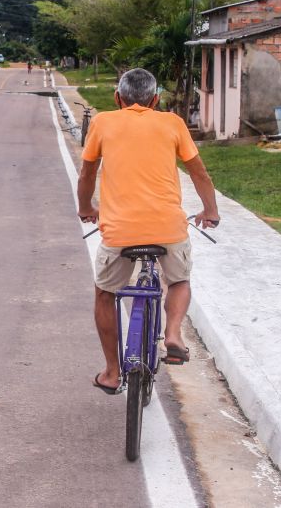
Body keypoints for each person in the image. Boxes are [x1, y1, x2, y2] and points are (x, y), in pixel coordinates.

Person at [76, 68, 219, 395]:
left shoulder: (102, 122)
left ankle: (112, 372)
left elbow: (87, 174)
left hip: (119, 233)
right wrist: (210, 211)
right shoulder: (172, 123)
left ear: (117, 98)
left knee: (105, 293)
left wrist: (86, 208)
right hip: (168, 229)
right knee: (179, 280)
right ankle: (173, 334)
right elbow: (199, 173)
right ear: (155, 100)